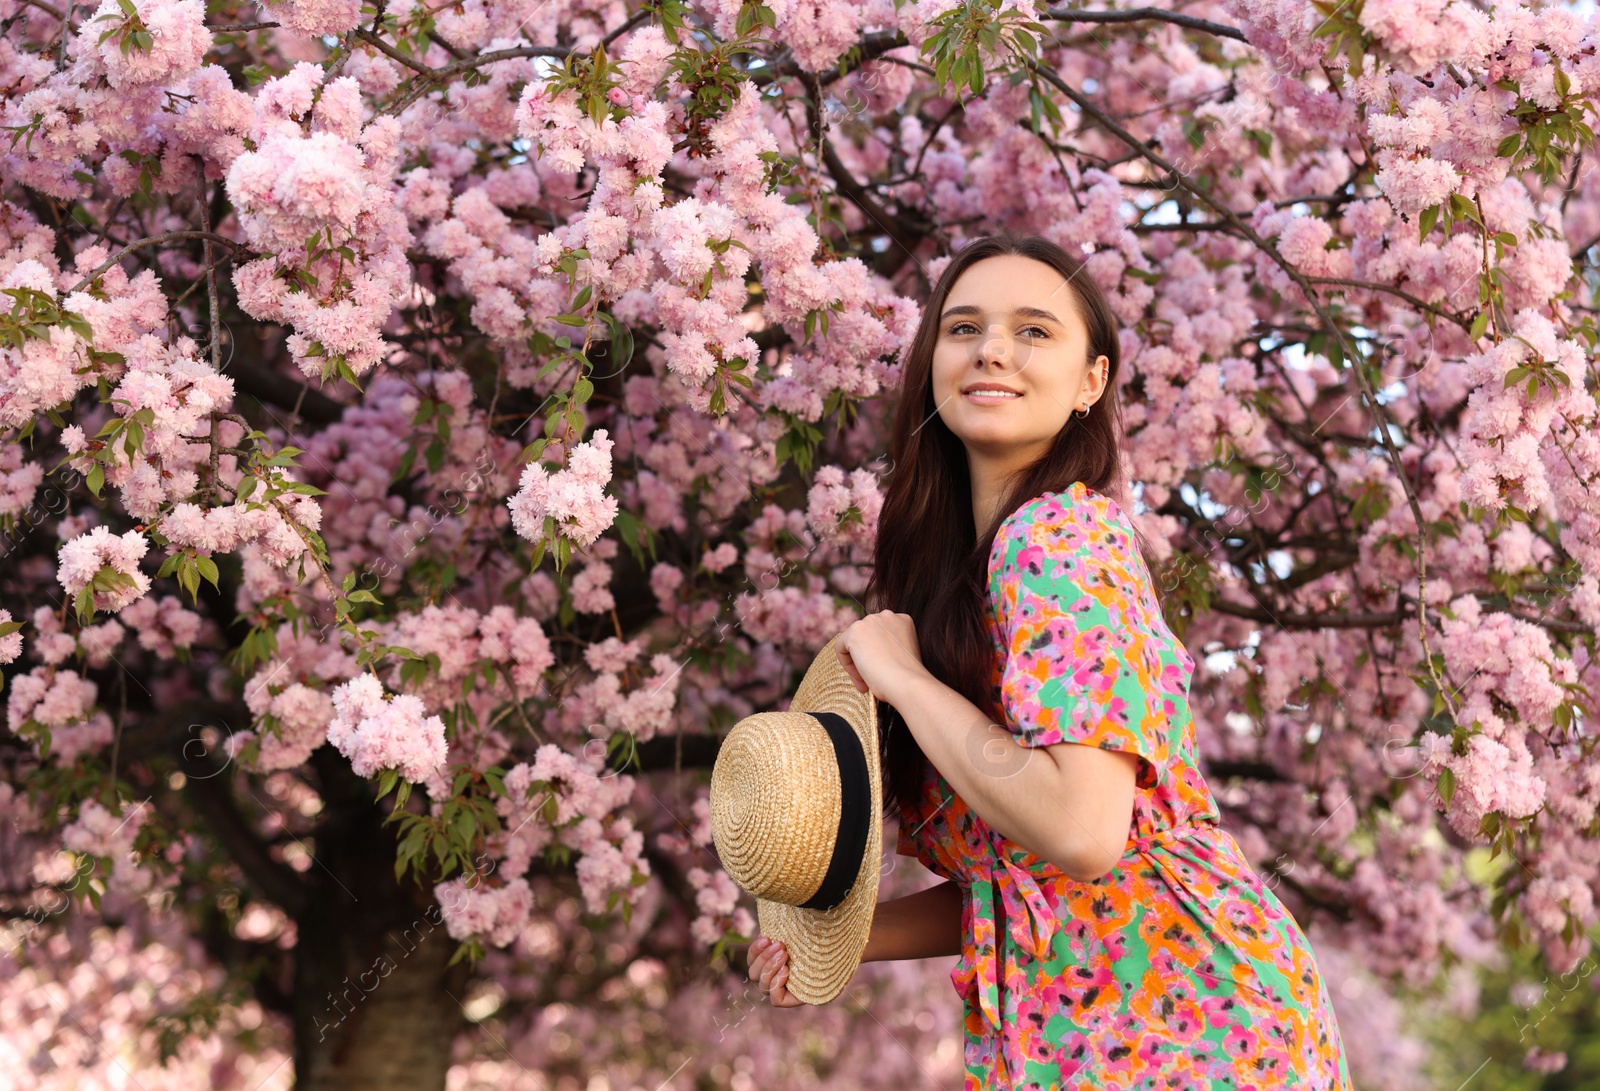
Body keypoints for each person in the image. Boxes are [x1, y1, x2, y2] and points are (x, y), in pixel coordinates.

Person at [745, 232, 1354, 1089]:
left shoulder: (1056, 538)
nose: (992, 347)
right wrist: (846, 942)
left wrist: (909, 685)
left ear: (1090, 382)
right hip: (1088, 1032)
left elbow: (1081, 830)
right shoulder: (970, 573)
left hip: (1186, 1028)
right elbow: (1019, 881)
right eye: (963, 329)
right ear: (930, 368)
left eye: (1034, 331)